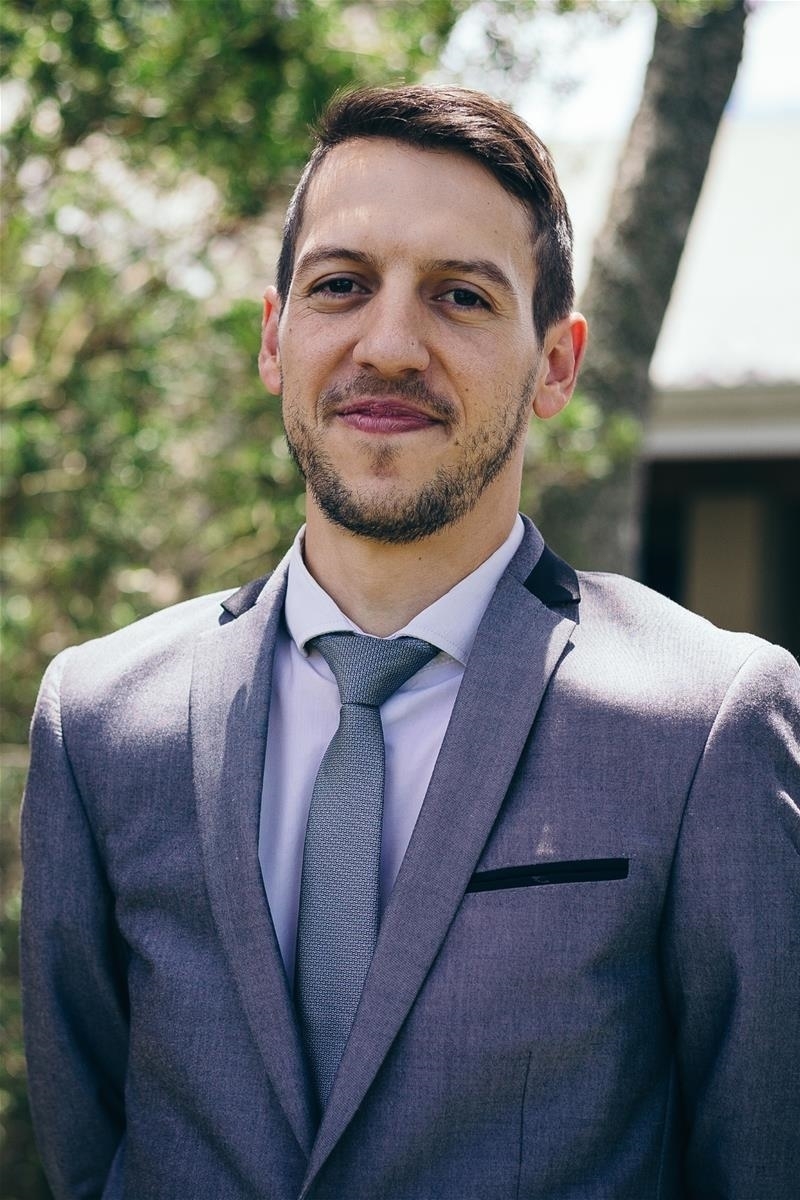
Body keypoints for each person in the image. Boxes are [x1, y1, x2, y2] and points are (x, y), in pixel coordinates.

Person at [21, 85, 800, 1200]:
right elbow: (88, 1147)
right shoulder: (99, 720)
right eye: (340, 285)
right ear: (274, 337)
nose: (388, 346)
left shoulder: (703, 724)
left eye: (460, 296)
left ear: (556, 364)